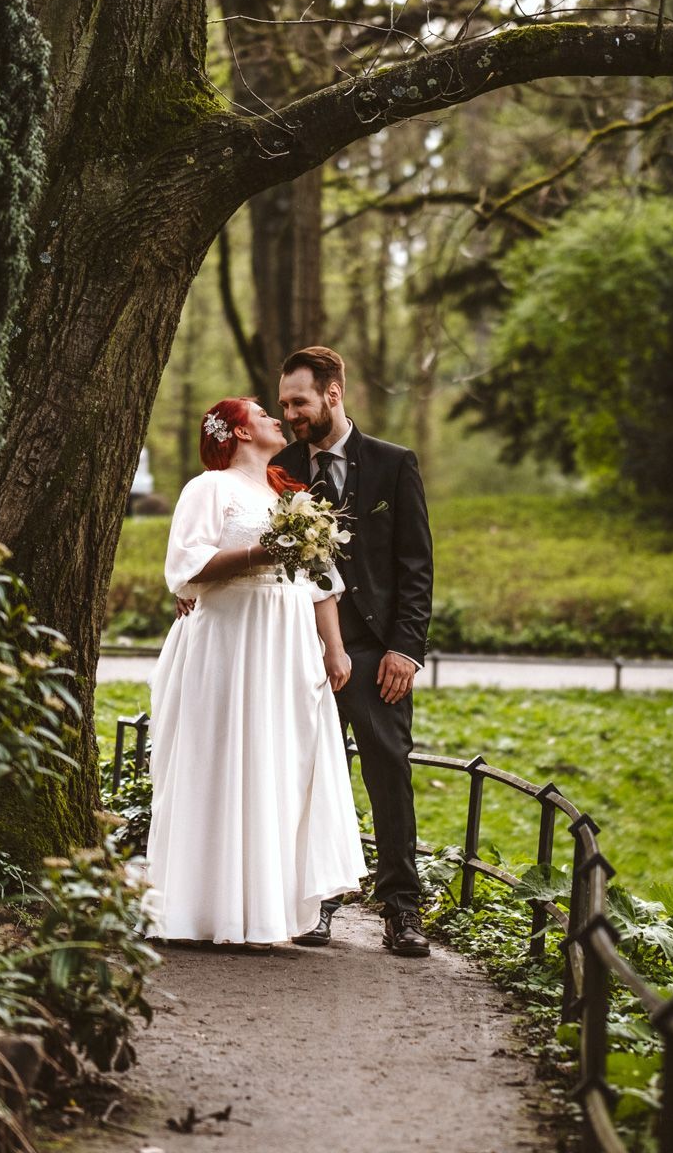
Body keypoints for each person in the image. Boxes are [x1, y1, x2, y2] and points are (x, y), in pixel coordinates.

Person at [144, 397, 368, 945]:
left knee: (279, 763)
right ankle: (206, 909)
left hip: (287, 645)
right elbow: (186, 567)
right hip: (232, 638)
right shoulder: (209, 488)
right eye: (262, 412)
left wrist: (333, 649)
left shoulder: (289, 494)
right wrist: (262, 553)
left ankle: (269, 909)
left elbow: (322, 583)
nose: (275, 418)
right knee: (224, 757)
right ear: (240, 432)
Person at [272, 347, 434, 958]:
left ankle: (401, 909)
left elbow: (416, 567)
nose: (290, 414)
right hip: (295, 653)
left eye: (300, 402)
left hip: (375, 651)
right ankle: (315, 904)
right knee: (306, 774)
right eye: (285, 404)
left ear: (333, 395)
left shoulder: (394, 464)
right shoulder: (279, 466)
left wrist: (405, 650)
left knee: (388, 770)